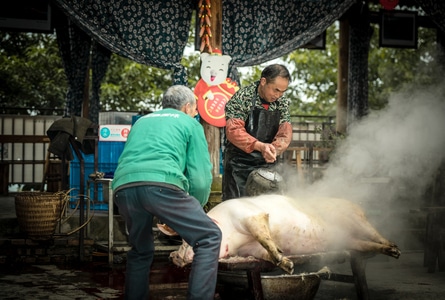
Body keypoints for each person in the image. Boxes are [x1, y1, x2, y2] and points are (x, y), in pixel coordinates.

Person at [112, 85, 222, 300]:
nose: (195, 114)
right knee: (209, 237)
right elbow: (200, 178)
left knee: (140, 249)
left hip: (123, 188)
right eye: (195, 110)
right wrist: (196, 209)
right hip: (161, 184)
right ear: (187, 106)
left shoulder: (142, 121)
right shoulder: (190, 123)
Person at [222, 64, 293, 200]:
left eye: (282, 92)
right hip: (239, 164)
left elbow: (285, 132)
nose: (278, 95)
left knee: (267, 205)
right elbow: (233, 130)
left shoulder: (282, 102)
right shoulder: (243, 97)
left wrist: (275, 149)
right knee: (237, 206)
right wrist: (260, 146)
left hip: (267, 163)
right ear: (263, 81)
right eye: (276, 90)